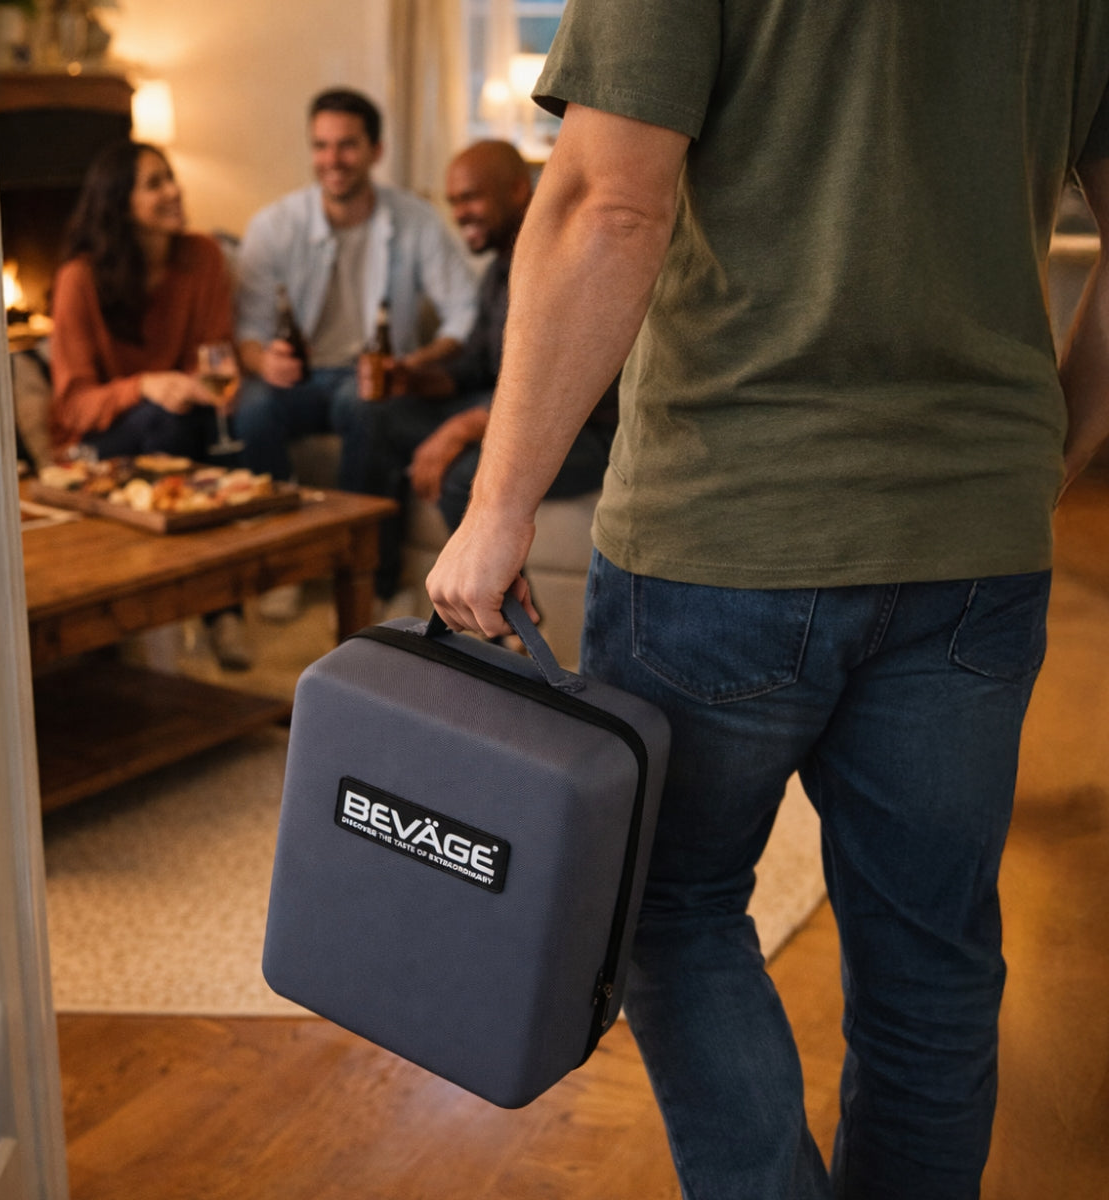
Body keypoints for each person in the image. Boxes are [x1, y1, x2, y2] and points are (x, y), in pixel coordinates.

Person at [425, 5, 1109, 1199]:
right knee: (932, 961)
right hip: (973, 537)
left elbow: (609, 202)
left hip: (725, 521)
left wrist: (497, 507)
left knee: (670, 913)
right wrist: (1047, 455)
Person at [367, 139, 617, 602]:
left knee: (466, 475)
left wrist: (463, 427)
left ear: (519, 191)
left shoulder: (568, 260)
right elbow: (474, 367)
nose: (460, 213)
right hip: (512, 417)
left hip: (585, 434)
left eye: (471, 197)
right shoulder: (500, 269)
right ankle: (383, 588)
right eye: (454, 201)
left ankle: (515, 631)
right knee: (379, 416)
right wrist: (413, 378)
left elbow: (562, 391)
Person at [49, 139, 252, 670]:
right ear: (119, 203)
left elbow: (215, 355)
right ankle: (215, 608)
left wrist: (197, 386)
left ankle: (204, 605)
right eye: (154, 183)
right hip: (96, 443)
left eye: (170, 177)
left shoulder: (202, 256)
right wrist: (144, 386)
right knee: (172, 423)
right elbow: (73, 406)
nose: (173, 191)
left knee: (220, 423)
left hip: (178, 419)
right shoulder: (79, 279)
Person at [232, 88, 478, 498]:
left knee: (367, 405)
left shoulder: (416, 220)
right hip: (298, 379)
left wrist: (417, 362)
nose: (332, 161)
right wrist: (265, 361)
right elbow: (248, 330)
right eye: (321, 146)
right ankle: (272, 539)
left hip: (370, 378)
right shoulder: (273, 227)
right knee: (251, 408)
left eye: (347, 146)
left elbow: (464, 308)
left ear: (375, 150)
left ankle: (364, 553)